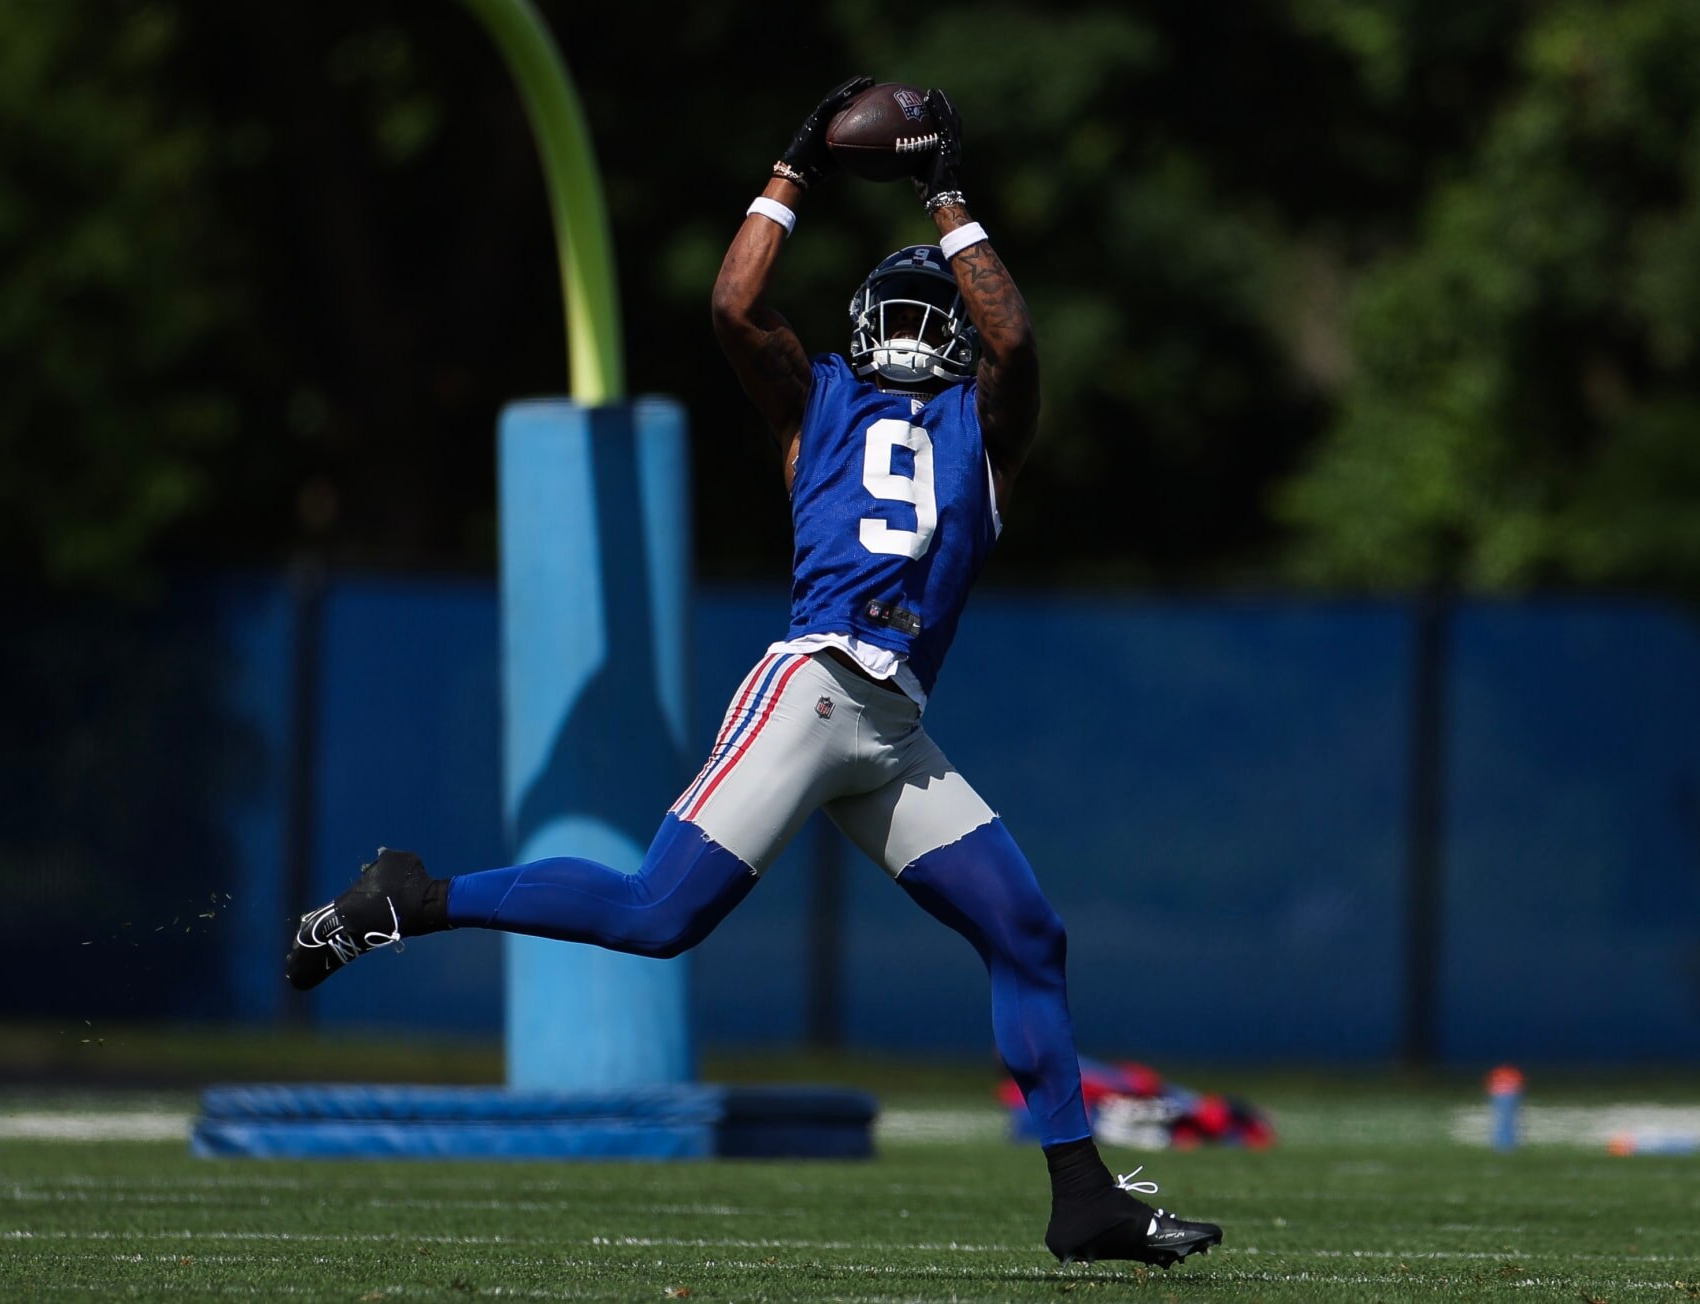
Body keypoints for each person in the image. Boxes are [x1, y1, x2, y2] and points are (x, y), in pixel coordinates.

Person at [285, 76, 1221, 1270]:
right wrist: (806, 166)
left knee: (1028, 931)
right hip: (816, 684)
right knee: (656, 913)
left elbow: (1014, 336)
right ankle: (411, 895)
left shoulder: (976, 427)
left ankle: (1081, 1196)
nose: (916, 329)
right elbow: (735, 307)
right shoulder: (820, 403)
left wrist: (925, 190)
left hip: (888, 724)